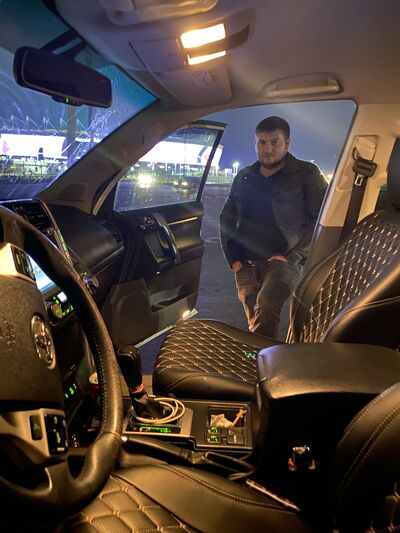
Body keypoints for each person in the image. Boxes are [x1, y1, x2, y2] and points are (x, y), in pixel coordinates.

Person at [219, 116, 327, 339]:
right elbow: (226, 218)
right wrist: (233, 259)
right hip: (246, 262)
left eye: (274, 142)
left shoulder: (306, 173)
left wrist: (293, 256)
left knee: (267, 303)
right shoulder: (244, 176)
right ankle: (262, 353)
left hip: (284, 260)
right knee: (255, 317)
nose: (268, 149)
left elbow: (320, 219)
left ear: (287, 143)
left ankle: (259, 357)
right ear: (255, 143)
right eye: (262, 142)